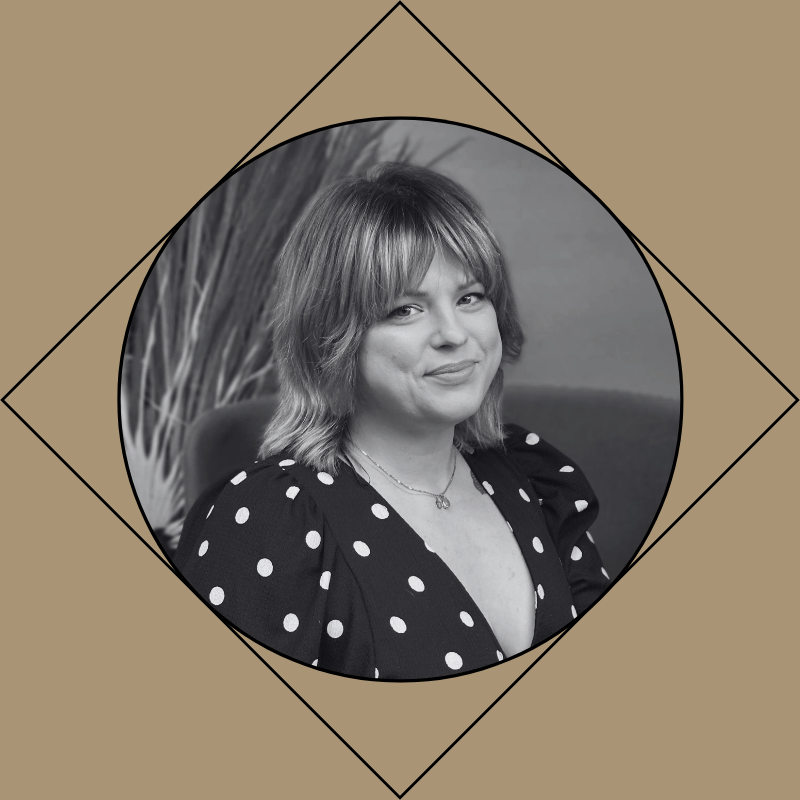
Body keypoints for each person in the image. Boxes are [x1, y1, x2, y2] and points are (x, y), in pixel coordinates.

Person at [175, 162, 608, 680]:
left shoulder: (535, 480)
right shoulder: (265, 523)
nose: (454, 333)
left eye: (470, 297)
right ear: (333, 339)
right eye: (405, 309)